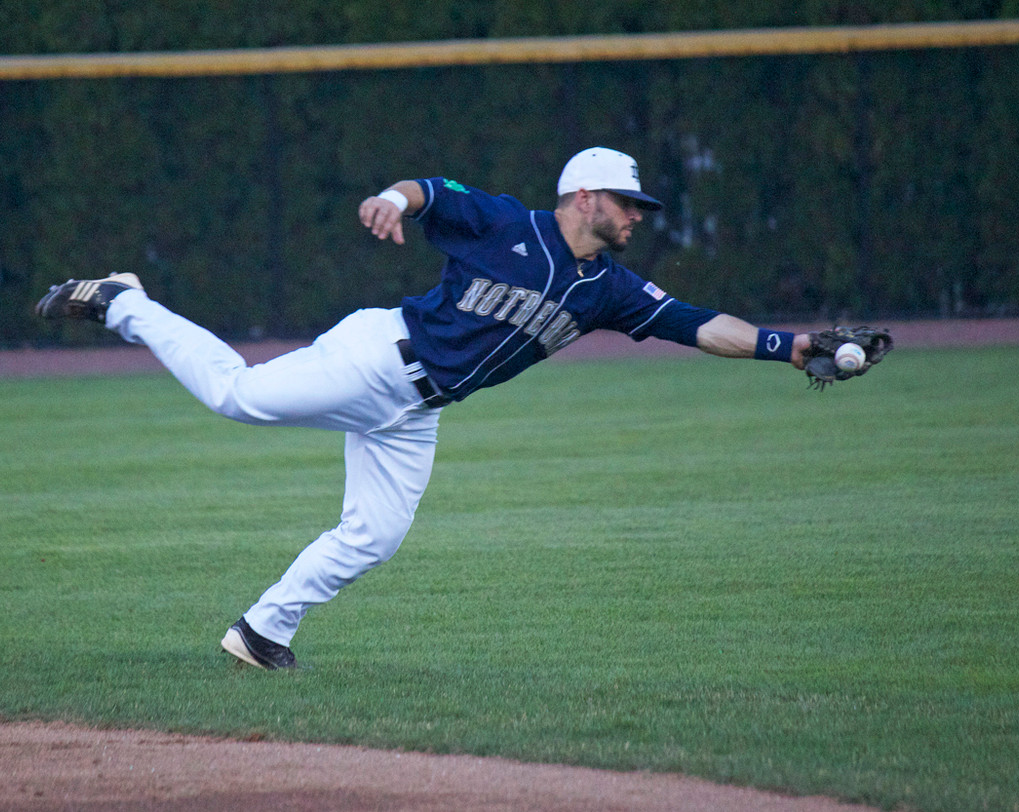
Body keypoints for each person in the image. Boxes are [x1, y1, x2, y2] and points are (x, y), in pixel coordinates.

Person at [36, 147, 811, 670]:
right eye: (626, 202)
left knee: (375, 535)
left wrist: (795, 348)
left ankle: (262, 631)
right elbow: (430, 191)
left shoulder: (610, 289)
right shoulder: (507, 223)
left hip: (417, 410)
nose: (637, 215)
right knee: (235, 394)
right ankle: (123, 302)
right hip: (378, 357)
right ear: (585, 197)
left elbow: (698, 324)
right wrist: (389, 199)